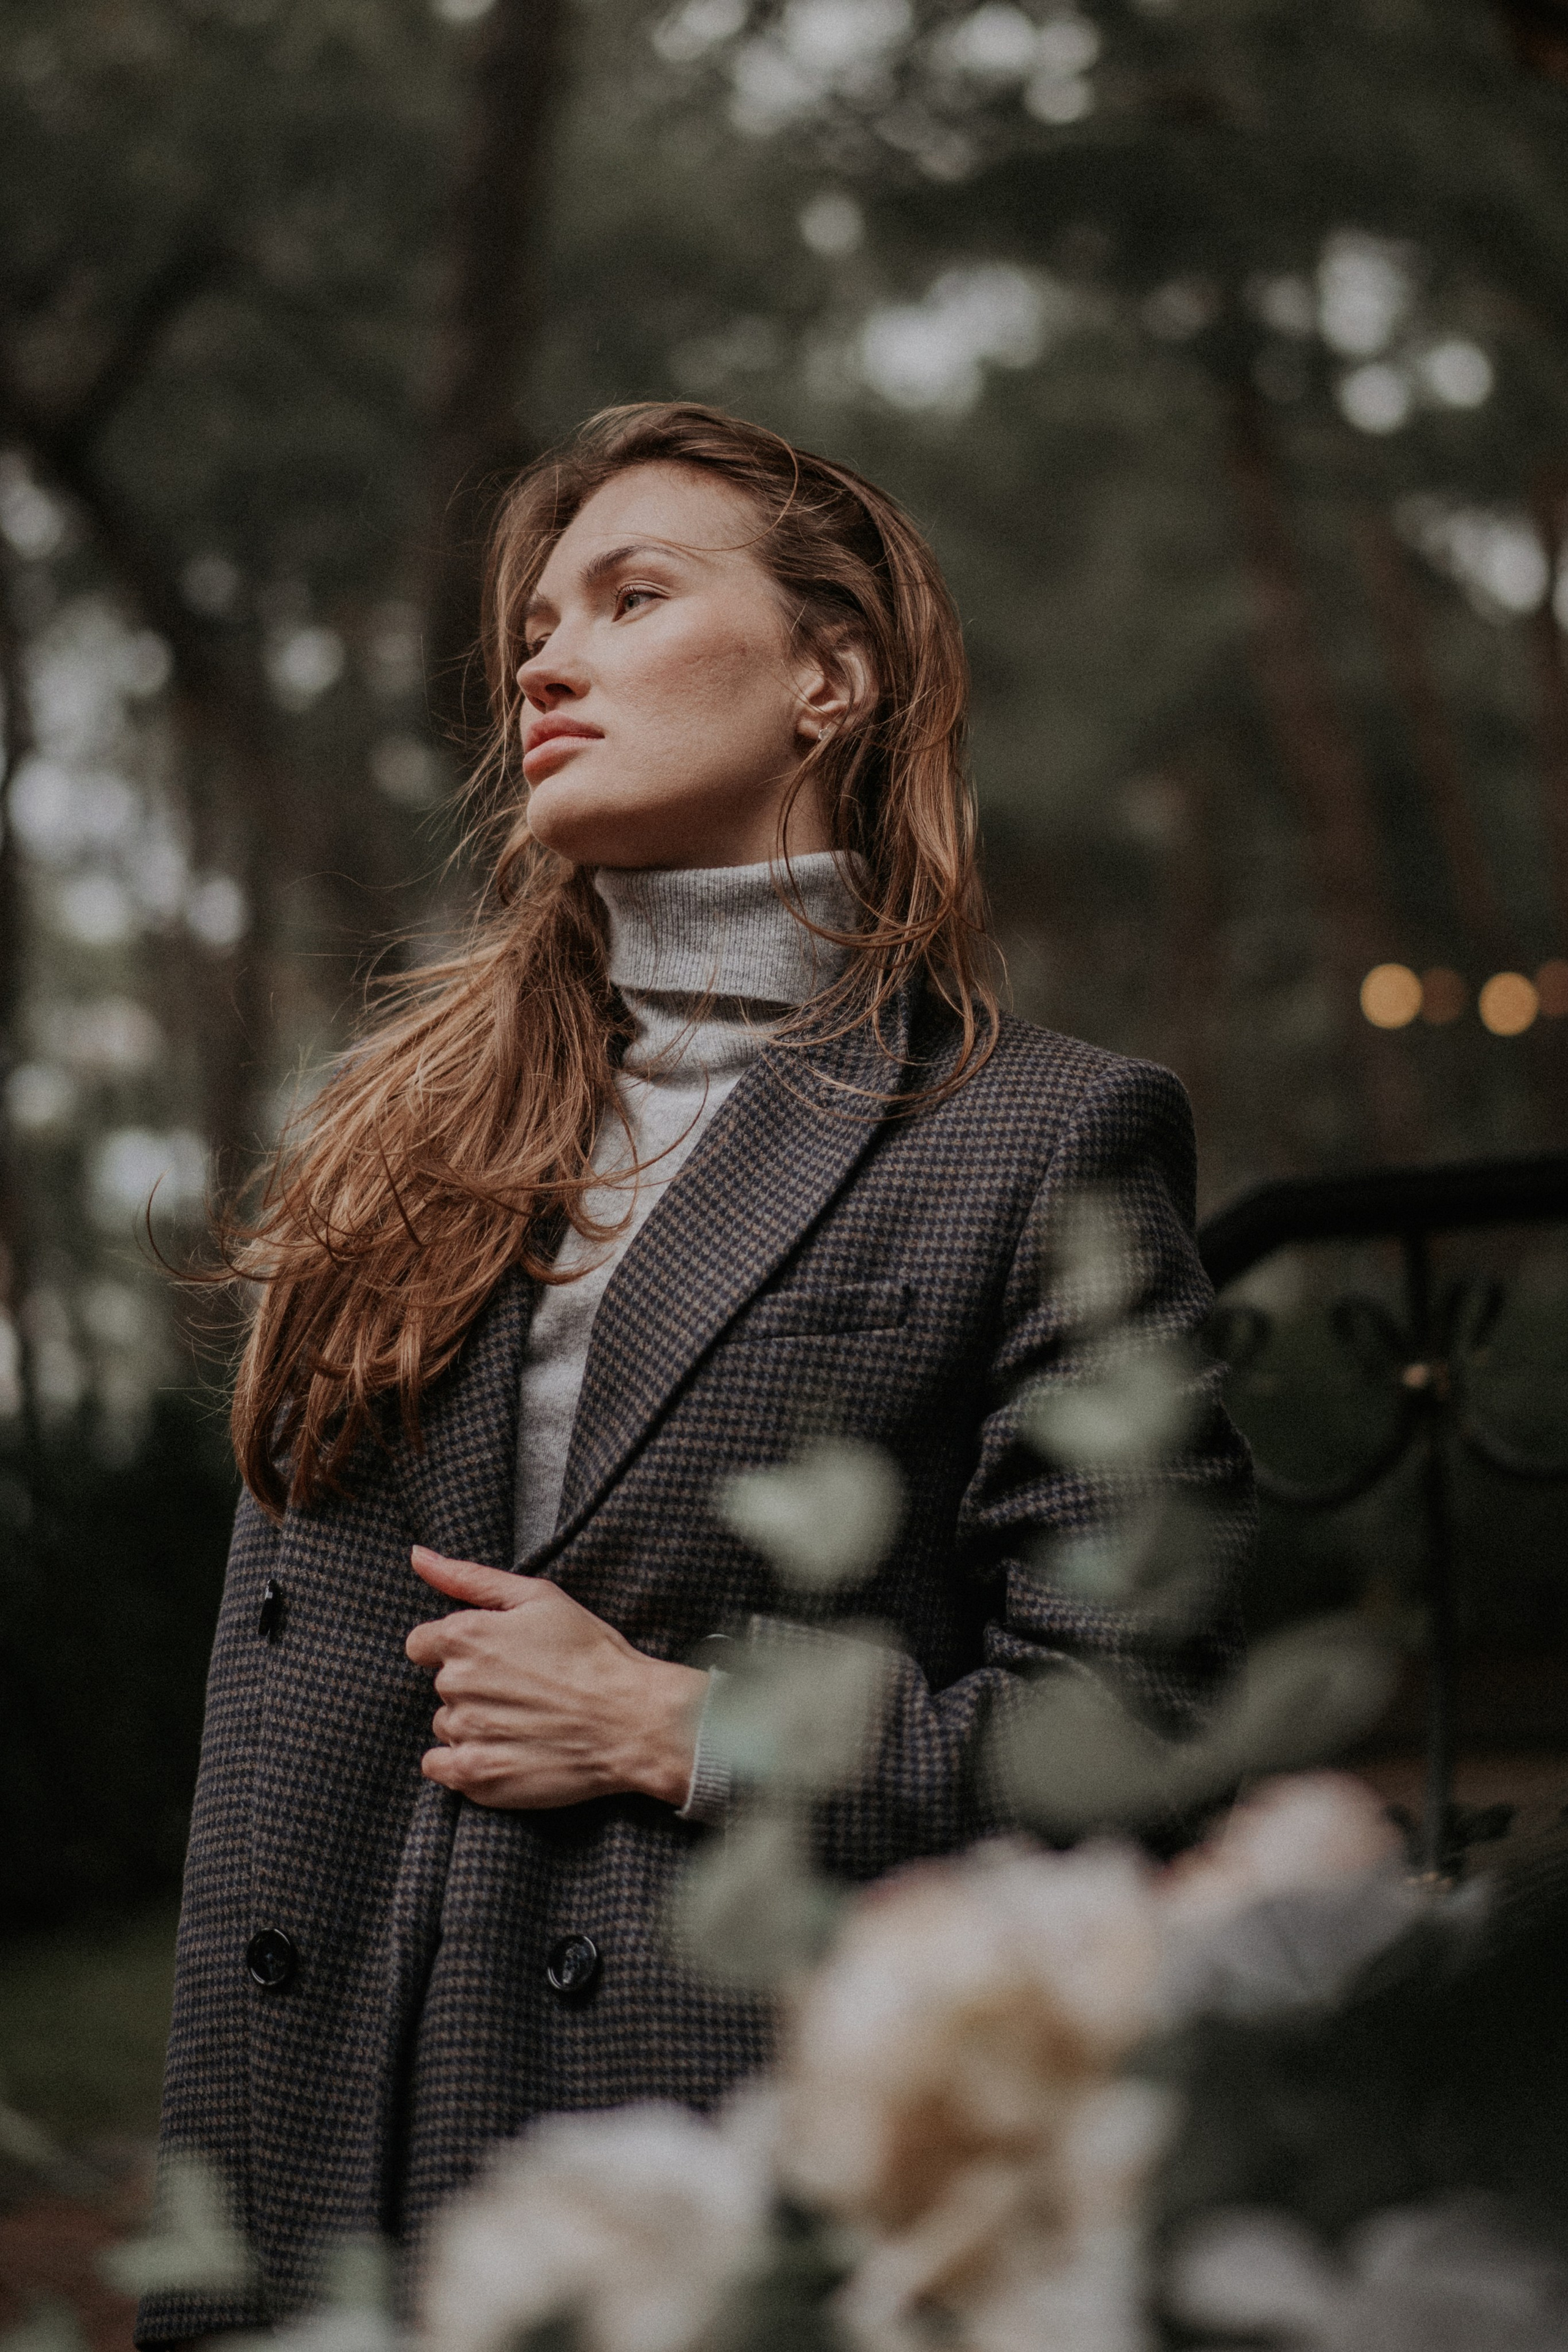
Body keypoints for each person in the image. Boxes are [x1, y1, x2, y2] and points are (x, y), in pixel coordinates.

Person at [137, 402, 1253, 2343]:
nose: (547, 662)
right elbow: (268, 1768)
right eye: (537, 630)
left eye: (631, 597)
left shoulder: (1036, 1138)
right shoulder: (399, 1137)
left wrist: (684, 1726)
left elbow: (1144, 1726)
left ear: (835, 674)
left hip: (706, 2169)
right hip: (317, 2177)